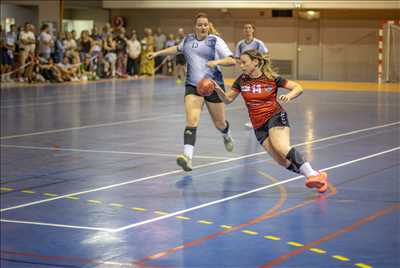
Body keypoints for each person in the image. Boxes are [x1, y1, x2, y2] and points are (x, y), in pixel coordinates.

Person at [213, 49, 328, 193]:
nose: (241, 66)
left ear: (255, 62)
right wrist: (218, 90)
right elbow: (228, 99)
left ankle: (311, 175)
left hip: (275, 115)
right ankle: (317, 175)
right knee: (282, 161)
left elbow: (298, 87)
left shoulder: (271, 78)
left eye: (244, 62)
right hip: (258, 125)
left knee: (281, 146)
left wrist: (289, 96)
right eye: (240, 63)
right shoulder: (241, 80)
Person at [148, 12, 236, 172]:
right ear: (195, 27)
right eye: (200, 25)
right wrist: (157, 53)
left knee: (219, 123)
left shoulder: (215, 41)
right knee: (192, 120)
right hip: (193, 86)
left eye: (205, 24)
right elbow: (176, 49)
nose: (203, 27)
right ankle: (187, 157)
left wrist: (216, 61)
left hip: (213, 86)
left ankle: (226, 134)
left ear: (208, 26)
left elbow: (232, 60)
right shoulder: (188, 40)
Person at [235, 23, 269, 129]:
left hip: (258, 74)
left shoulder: (258, 43)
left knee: (261, 97)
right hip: (247, 74)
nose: (247, 30)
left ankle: (264, 118)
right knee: (251, 98)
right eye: (245, 28)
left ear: (253, 30)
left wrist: (260, 66)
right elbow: (237, 57)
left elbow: (266, 55)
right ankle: (253, 120)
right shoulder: (240, 44)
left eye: (249, 28)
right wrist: (244, 66)